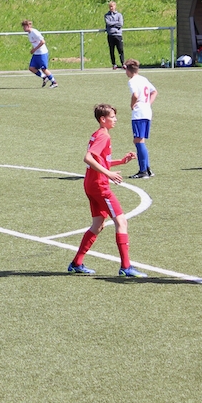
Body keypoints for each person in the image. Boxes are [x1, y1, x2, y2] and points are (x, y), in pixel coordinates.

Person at [67, 104, 146, 278]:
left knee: (98, 224)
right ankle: (126, 267)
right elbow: (88, 158)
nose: (116, 119)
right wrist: (109, 174)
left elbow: (99, 161)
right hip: (99, 186)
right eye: (112, 117)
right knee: (121, 221)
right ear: (103, 119)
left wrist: (121, 161)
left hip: (90, 184)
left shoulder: (98, 134)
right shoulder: (103, 136)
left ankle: (76, 263)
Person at [124, 59, 157, 179]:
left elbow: (135, 95)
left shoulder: (132, 81)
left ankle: (143, 171)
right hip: (147, 112)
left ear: (128, 70)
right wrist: (148, 104)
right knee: (140, 140)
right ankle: (147, 169)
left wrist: (132, 105)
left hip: (139, 113)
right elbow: (154, 92)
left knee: (138, 140)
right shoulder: (143, 79)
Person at [21, 19, 58, 87]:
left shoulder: (35, 32)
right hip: (36, 54)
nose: (23, 28)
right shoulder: (29, 33)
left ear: (28, 26)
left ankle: (54, 82)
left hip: (42, 53)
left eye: (24, 26)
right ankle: (44, 77)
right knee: (31, 68)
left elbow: (43, 41)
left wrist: (34, 49)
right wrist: (34, 50)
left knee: (44, 69)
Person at [104, 1, 125, 69]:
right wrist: (116, 23)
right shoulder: (107, 15)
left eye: (112, 6)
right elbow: (108, 23)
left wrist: (113, 24)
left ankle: (123, 63)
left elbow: (120, 24)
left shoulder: (119, 15)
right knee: (112, 50)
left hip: (118, 35)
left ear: (115, 6)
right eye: (110, 6)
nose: (111, 8)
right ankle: (114, 64)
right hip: (111, 35)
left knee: (120, 50)